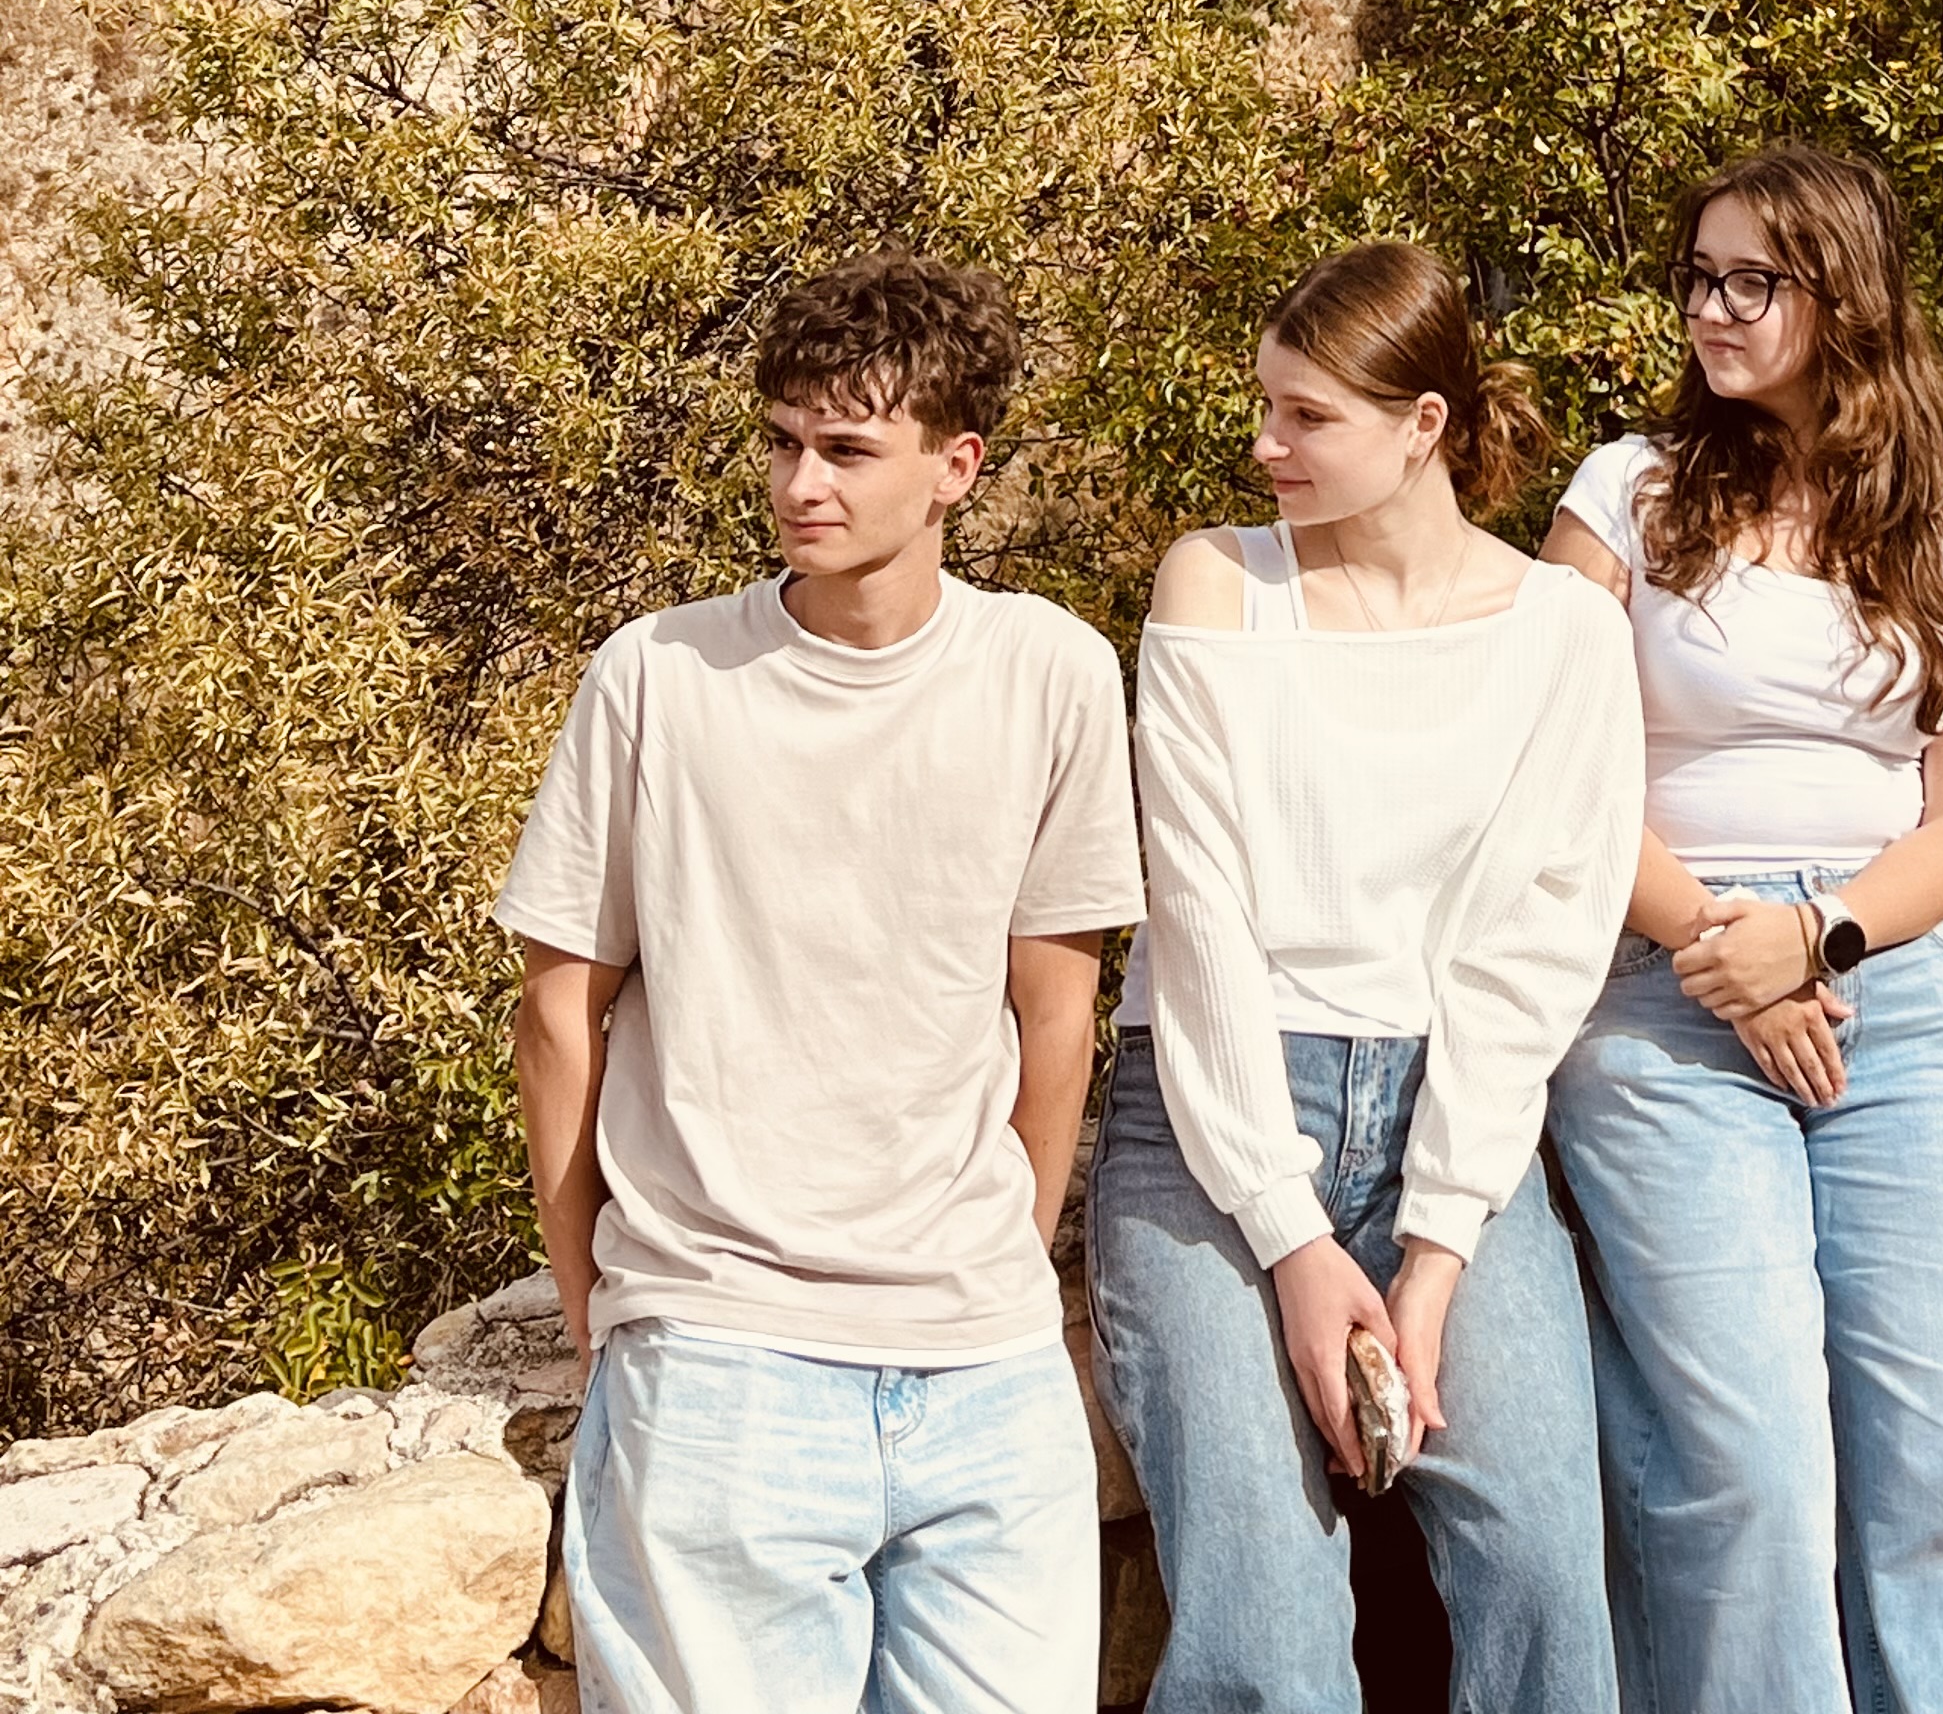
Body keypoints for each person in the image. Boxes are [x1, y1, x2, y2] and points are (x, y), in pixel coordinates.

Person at [498, 246, 1142, 1714]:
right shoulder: (657, 674)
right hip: (719, 1360)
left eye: (847, 450)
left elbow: (1059, 1013)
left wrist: (1000, 1260)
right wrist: (604, 1300)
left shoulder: (1051, 670)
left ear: (955, 468)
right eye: (784, 442)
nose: (801, 484)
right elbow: (557, 1011)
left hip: (986, 1373)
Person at [1544, 140, 1943, 1714]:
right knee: (1747, 1464)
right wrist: (1728, 949)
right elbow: (1546, 769)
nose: (1711, 310)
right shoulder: (1623, 496)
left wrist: (1818, 939)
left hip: (1889, 988)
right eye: (1698, 278)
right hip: (1666, 981)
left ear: (1842, 297)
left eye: (1751, 282)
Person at [1089, 239, 1643, 1714]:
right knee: (1267, 1621)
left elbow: (1538, 954)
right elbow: (1199, 924)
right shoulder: (1220, 585)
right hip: (1210, 1124)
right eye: (1265, 407)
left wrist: (1437, 1250)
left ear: (1424, 425)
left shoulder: (1566, 633)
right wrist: (1292, 1239)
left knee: (1543, 1568)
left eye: (1307, 417)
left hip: (1449, 1117)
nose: (1266, 445)